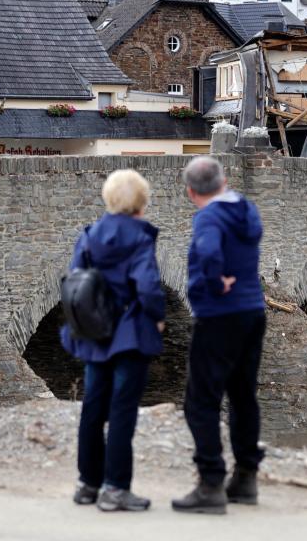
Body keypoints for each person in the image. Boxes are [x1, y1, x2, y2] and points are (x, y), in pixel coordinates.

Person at [61, 169, 166, 513]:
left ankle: (87, 484)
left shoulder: (90, 234)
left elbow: (76, 280)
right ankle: (116, 488)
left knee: (93, 407)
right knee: (122, 411)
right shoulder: (139, 237)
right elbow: (147, 286)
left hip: (95, 332)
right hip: (129, 333)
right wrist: (158, 317)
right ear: (140, 202)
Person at [172, 156, 266, 515]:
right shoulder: (246, 208)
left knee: (202, 399)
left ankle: (210, 483)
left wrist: (215, 280)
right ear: (224, 180)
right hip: (252, 311)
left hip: (219, 315)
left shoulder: (208, 216)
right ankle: (245, 477)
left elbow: (209, 252)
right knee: (243, 395)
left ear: (191, 191)